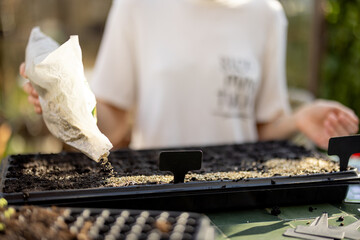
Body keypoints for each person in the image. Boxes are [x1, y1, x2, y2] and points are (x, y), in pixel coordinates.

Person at [21, 0, 359, 151]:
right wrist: (67, 102)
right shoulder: (137, 6)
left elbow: (263, 128)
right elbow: (114, 123)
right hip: (156, 193)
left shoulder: (267, 14)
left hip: (240, 192)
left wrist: (299, 118)